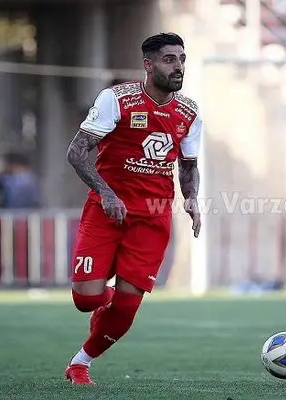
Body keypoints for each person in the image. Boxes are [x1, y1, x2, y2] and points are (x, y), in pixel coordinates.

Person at [64, 32, 202, 385]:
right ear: (148, 64)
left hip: (152, 218)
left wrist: (191, 198)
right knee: (86, 299)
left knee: (126, 308)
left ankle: (80, 363)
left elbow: (188, 165)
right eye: (169, 59)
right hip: (105, 211)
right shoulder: (117, 100)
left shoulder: (189, 112)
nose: (178, 66)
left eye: (181, 59)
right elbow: (76, 153)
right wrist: (107, 193)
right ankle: (112, 302)